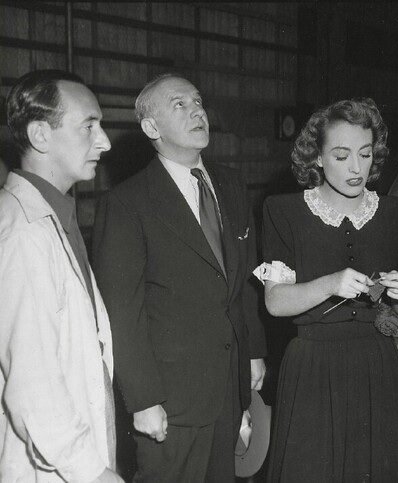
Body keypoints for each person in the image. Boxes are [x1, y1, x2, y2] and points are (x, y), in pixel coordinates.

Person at [92, 73, 267, 482]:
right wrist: (142, 400)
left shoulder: (231, 184)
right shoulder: (127, 203)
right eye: (179, 105)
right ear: (151, 127)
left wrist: (254, 349)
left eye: (198, 101)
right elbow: (122, 312)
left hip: (229, 384)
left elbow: (244, 278)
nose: (197, 111)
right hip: (170, 399)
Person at [255, 97, 398, 482]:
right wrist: (330, 283)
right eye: (342, 155)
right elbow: (275, 302)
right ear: (317, 157)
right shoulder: (284, 211)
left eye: (365, 154)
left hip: (377, 366)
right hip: (312, 365)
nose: (356, 168)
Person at [0, 70, 122, 482]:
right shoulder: (23, 232)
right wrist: (93, 473)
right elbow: (32, 385)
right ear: (40, 135)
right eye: (89, 126)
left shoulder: (53, 215)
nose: (104, 141)